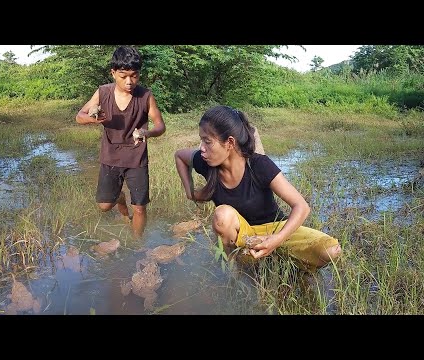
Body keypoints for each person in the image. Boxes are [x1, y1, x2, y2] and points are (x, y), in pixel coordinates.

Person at [174, 105, 341, 271]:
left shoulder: (259, 165)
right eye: (201, 140)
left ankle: (288, 266)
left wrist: (277, 239)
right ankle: (235, 266)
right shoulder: (206, 163)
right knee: (222, 215)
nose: (201, 148)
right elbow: (180, 156)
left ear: (230, 143)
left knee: (331, 250)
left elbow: (302, 207)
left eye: (207, 141)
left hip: (275, 229)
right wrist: (190, 192)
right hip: (246, 236)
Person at [76, 46, 166, 238]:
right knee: (104, 206)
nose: (129, 81)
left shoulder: (145, 96)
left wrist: (146, 132)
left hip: (136, 158)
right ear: (113, 73)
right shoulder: (103, 92)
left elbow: (160, 126)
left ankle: (136, 244)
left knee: (140, 208)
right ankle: (119, 197)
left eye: (134, 76)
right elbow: (79, 116)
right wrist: (94, 118)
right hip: (111, 156)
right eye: (123, 76)